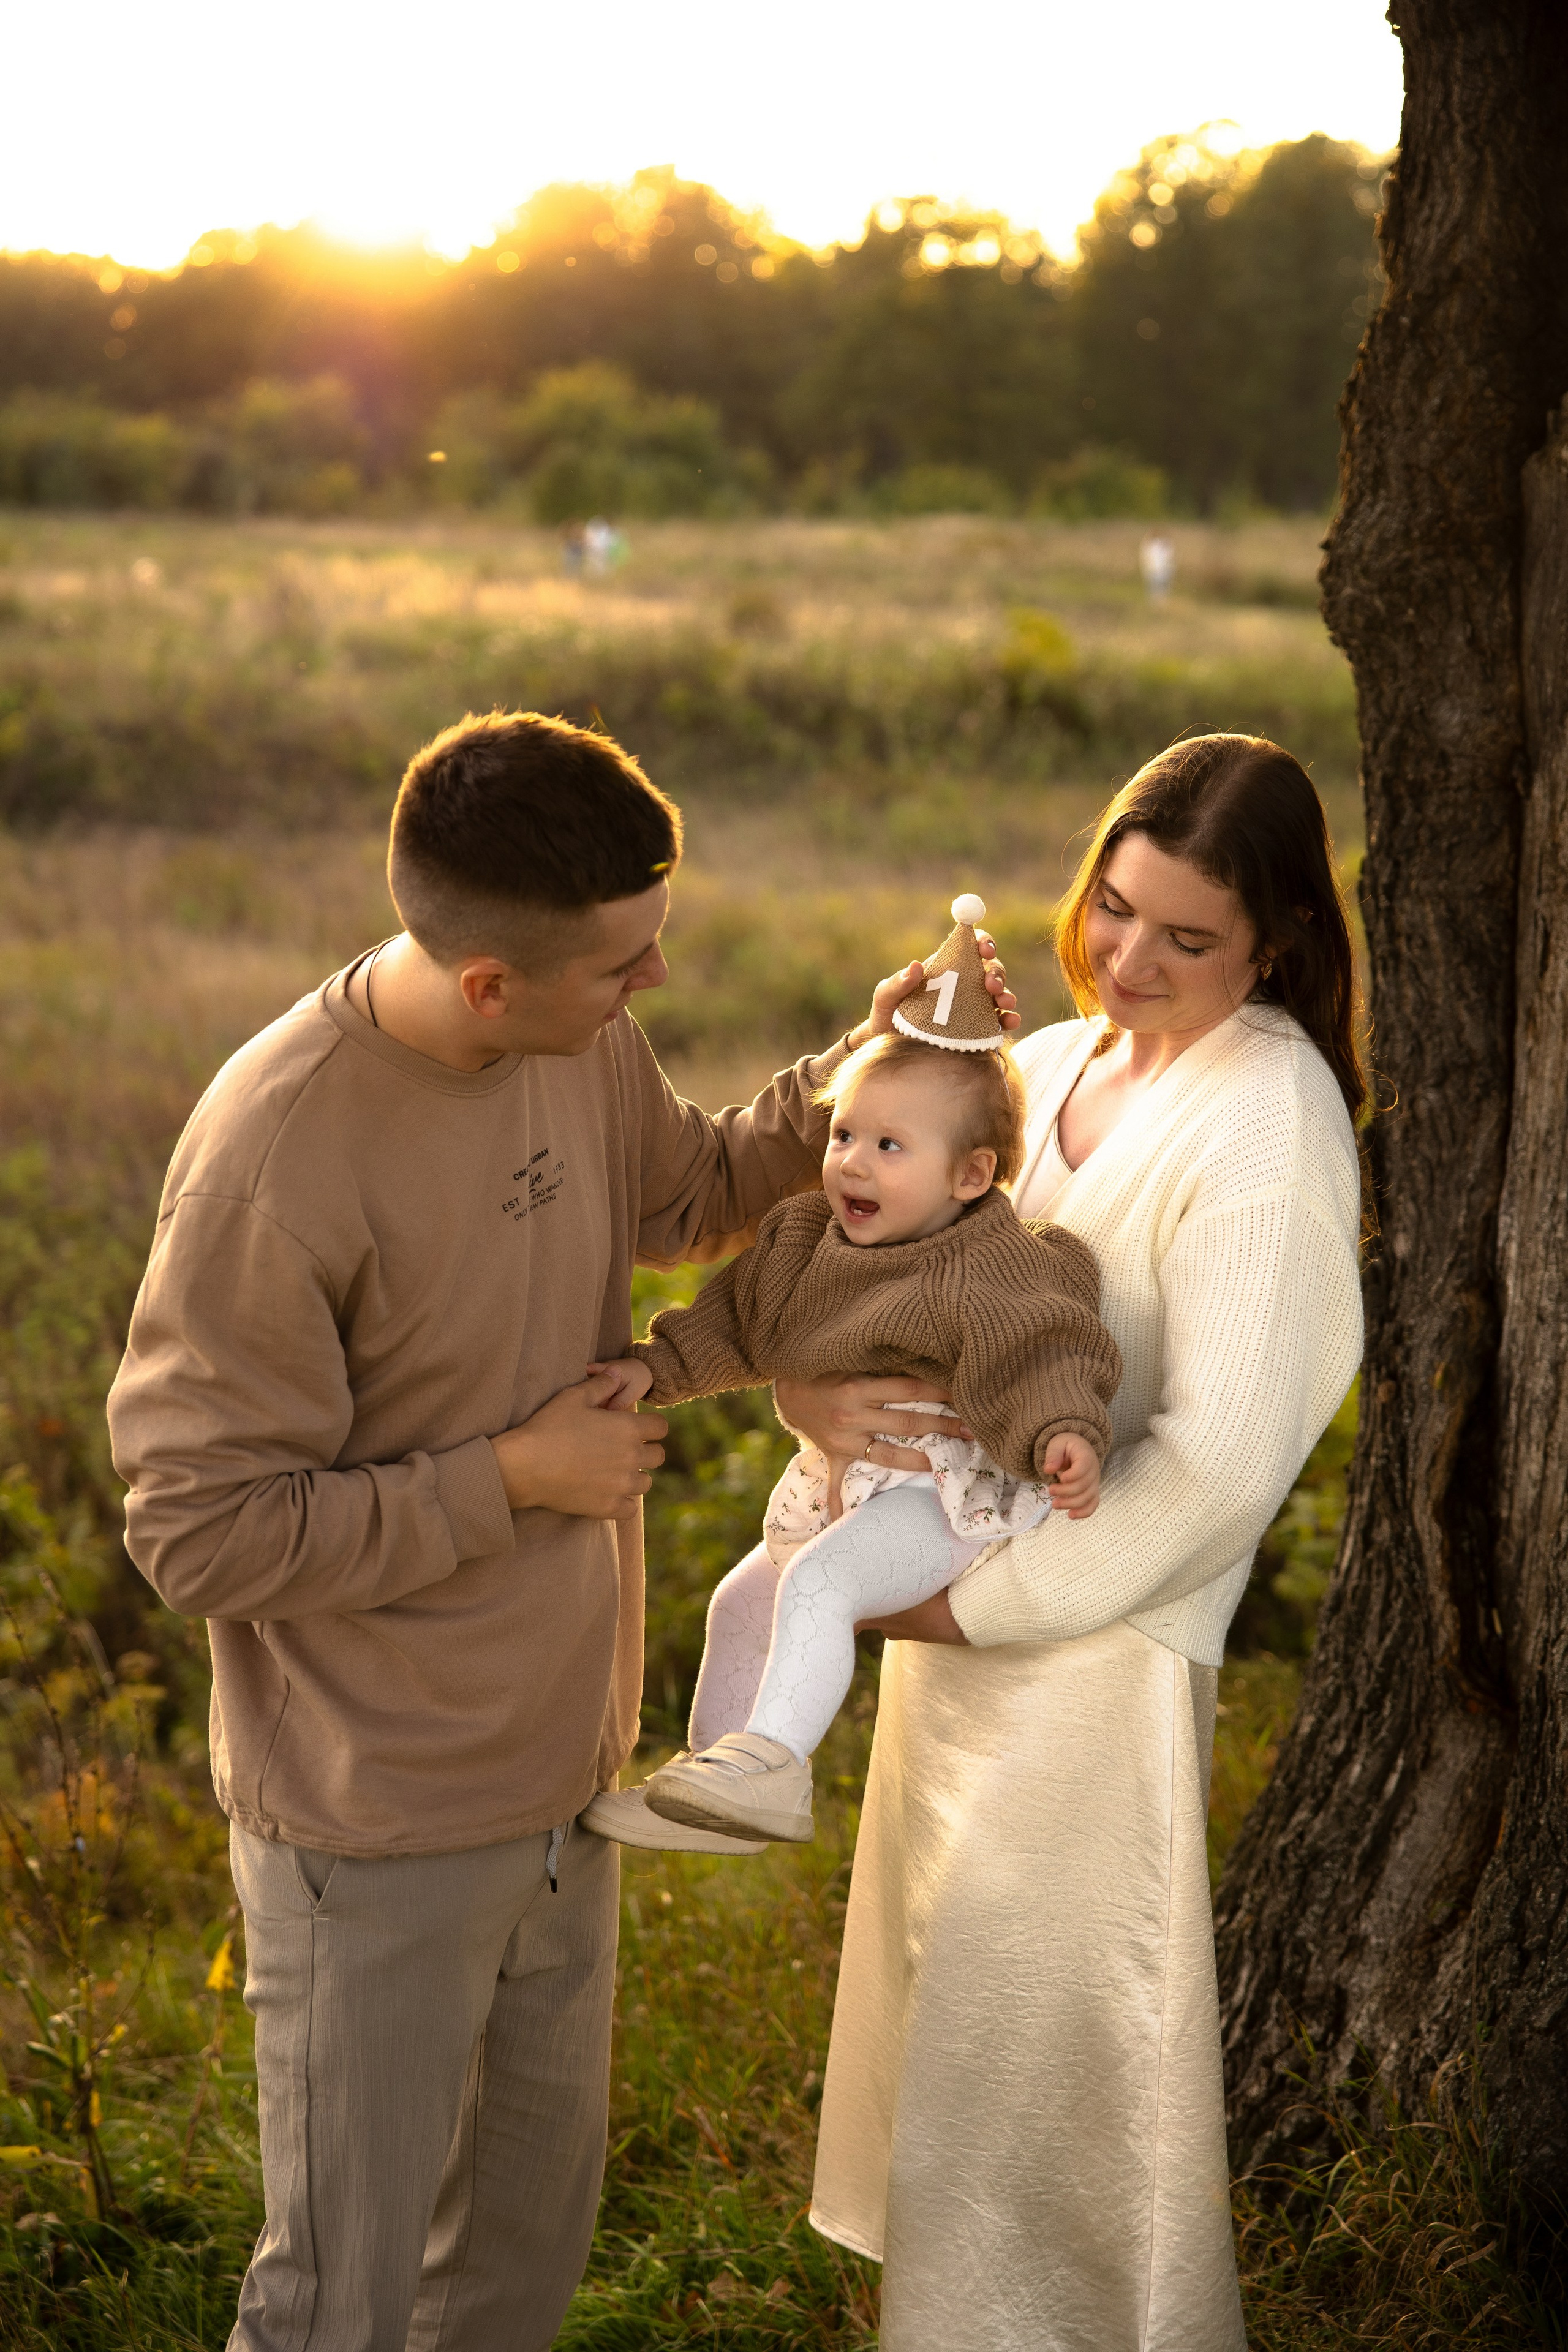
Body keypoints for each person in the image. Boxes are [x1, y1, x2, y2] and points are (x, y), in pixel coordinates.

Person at [105, 708, 1017, 2352]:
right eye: (621, 968)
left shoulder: (574, 1043)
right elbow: (196, 1535)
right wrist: (514, 1477)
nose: (650, 989)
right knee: (339, 2298)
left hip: (565, 1788)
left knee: (515, 2269)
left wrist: (865, 1070)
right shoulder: (279, 1159)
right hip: (376, 1823)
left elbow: (687, 1192)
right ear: (486, 985)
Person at [777, 733, 1366, 2352]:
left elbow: (1227, 1460)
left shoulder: (1273, 1118)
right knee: (946, 2049)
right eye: (1115, 909)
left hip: (1089, 1656)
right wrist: (828, 1412)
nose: (1132, 958)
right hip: (948, 1619)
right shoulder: (1050, 1074)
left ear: (1277, 945)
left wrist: (987, 1608)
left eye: (1189, 938)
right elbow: (892, 1260)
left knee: (1038, 2085)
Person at [582, 905, 1119, 1848]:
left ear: (971, 1175)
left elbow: (1047, 1354)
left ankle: (777, 1771)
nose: (850, 1166)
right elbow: (738, 1324)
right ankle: (719, 1783)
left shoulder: (993, 1264)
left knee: (823, 1583)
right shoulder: (804, 1240)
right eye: (844, 1137)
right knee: (742, 1600)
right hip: (846, 1487)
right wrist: (652, 1368)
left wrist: (1062, 1432)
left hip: (939, 1501)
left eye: (889, 1147)